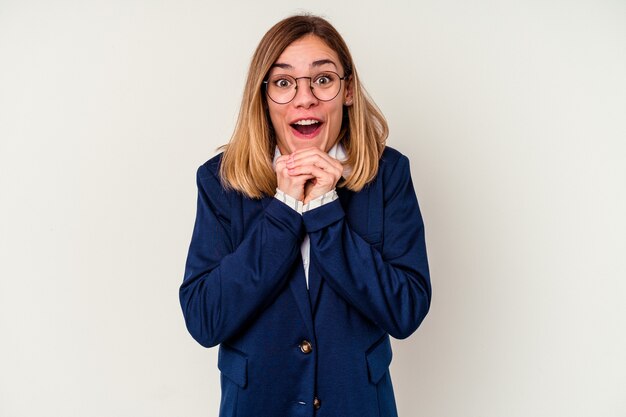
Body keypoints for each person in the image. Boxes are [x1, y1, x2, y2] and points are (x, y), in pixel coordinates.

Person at [179, 14, 431, 417]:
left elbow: (406, 311)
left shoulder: (389, 175)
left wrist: (325, 211)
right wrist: (283, 210)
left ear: (346, 91)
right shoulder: (219, 180)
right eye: (283, 82)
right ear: (263, 97)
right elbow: (205, 319)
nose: (304, 98)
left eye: (323, 79)